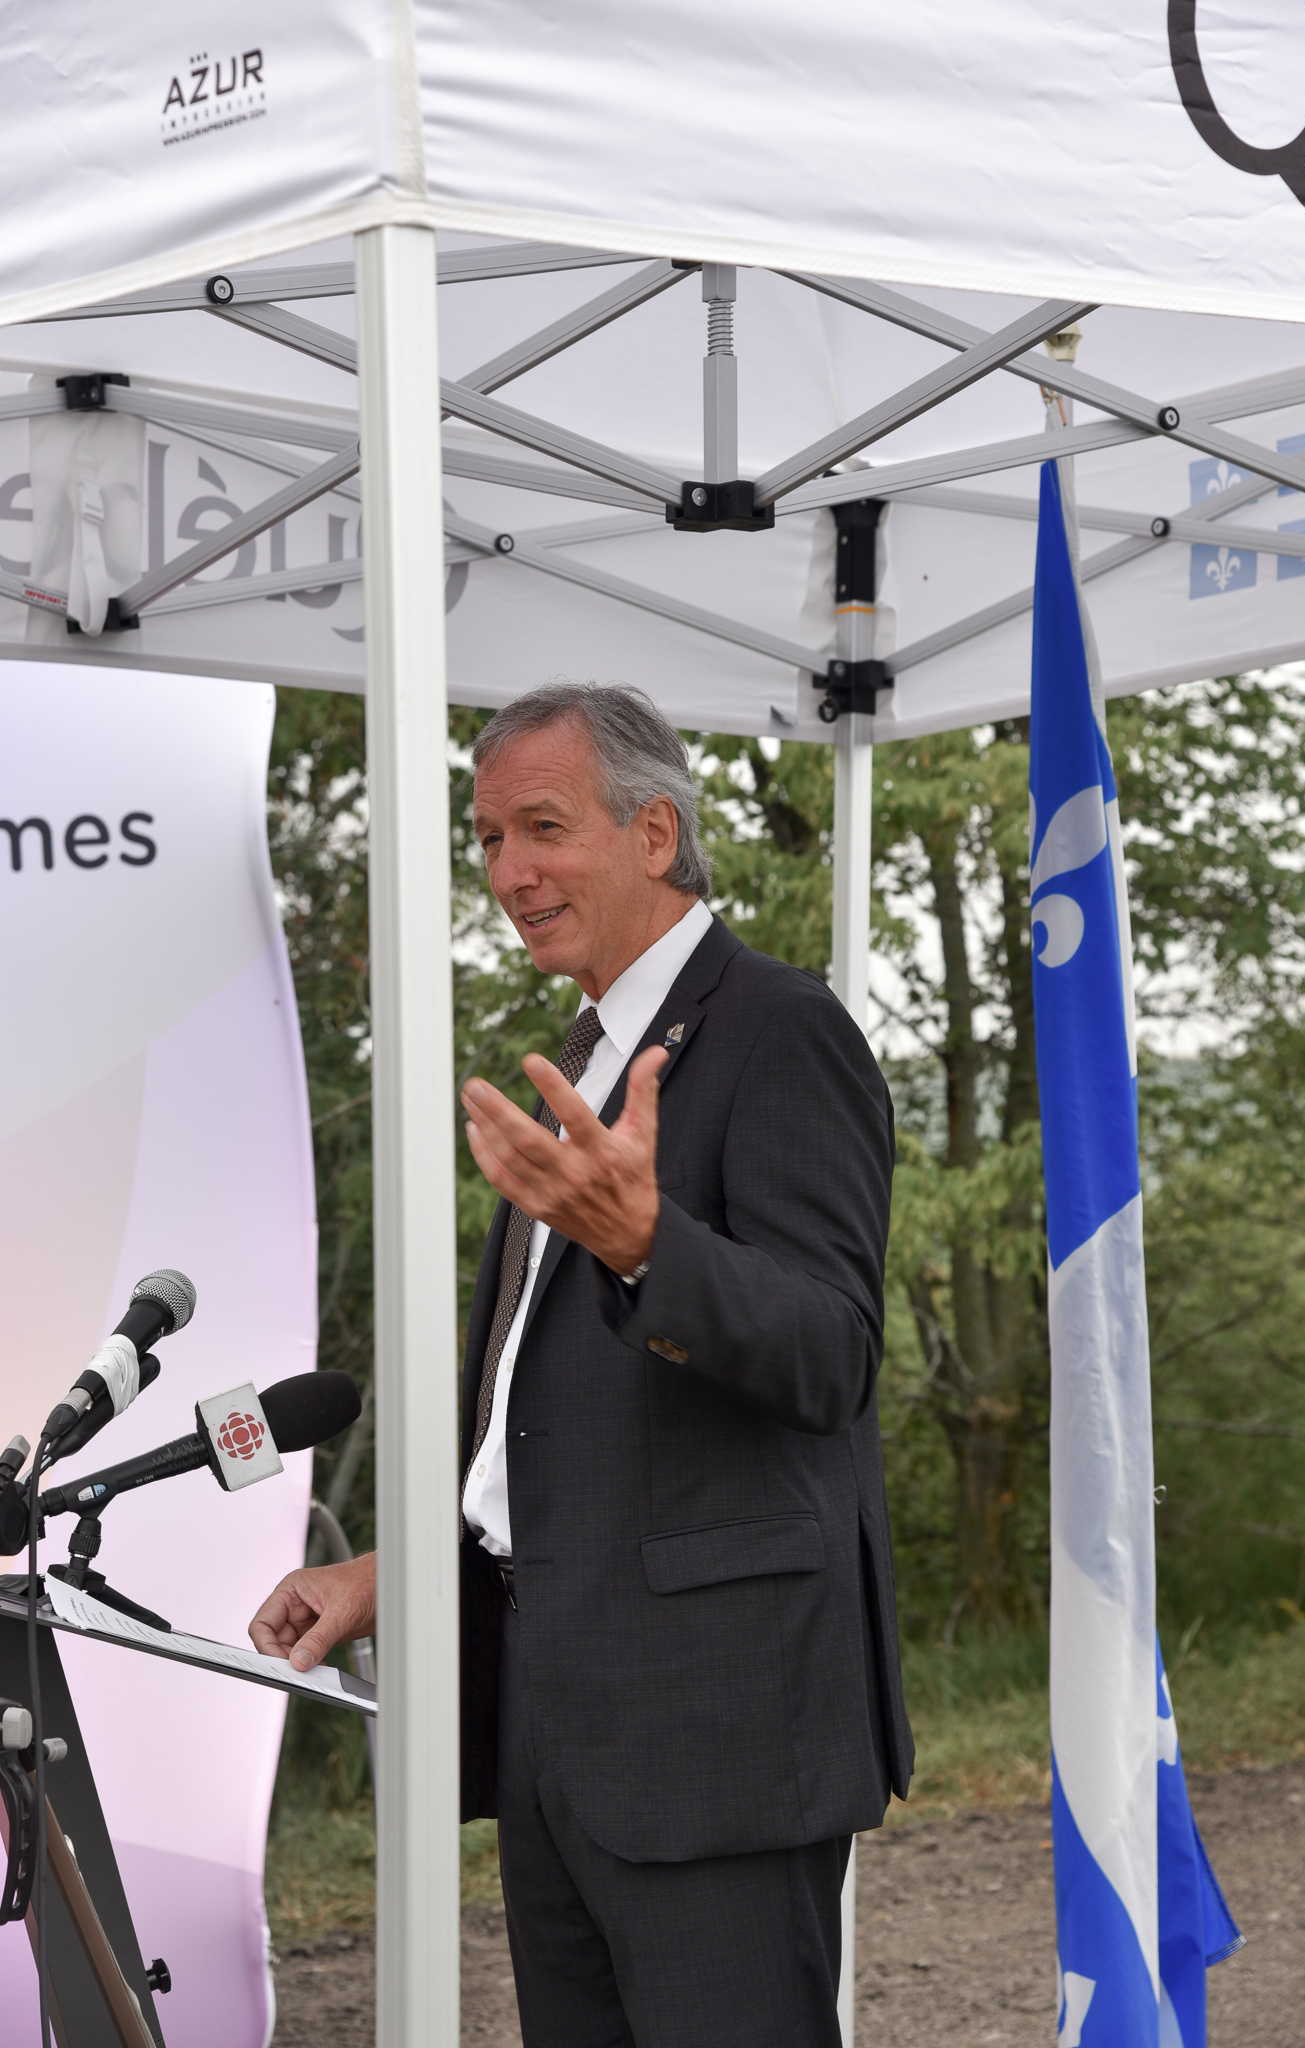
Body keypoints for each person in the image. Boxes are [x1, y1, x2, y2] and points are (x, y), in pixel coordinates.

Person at [250, 681, 914, 2047]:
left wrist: (647, 1246)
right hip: (556, 1738)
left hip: (718, 1746)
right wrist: (396, 1576)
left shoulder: (782, 1030)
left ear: (654, 833)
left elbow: (831, 1354)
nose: (509, 873)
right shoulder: (587, 1058)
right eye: (490, 840)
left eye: (542, 829)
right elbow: (553, 1434)